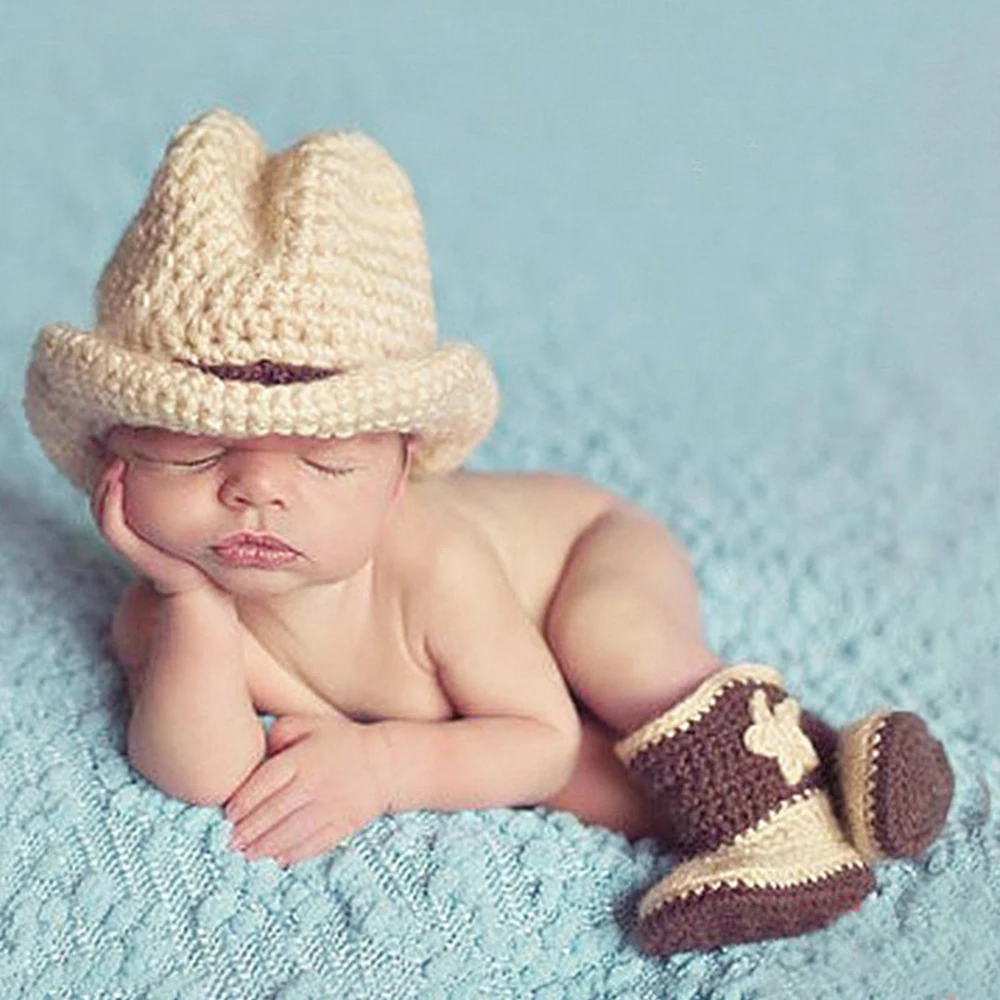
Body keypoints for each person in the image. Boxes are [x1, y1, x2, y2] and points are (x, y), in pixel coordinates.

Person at [23, 108, 953, 956]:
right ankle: (834, 776)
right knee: (596, 786)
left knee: (612, 654)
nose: (257, 492)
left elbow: (537, 734)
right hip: (491, 691)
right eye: (194, 456)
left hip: (584, 554)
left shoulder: (431, 565)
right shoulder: (164, 606)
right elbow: (201, 772)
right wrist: (189, 601)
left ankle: (782, 832)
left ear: (398, 481)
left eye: (327, 465)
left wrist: (386, 764)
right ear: (114, 463)